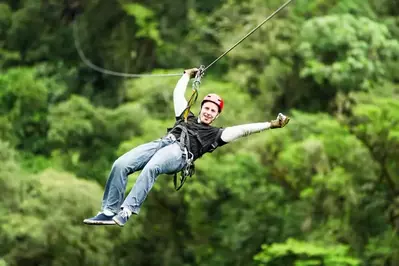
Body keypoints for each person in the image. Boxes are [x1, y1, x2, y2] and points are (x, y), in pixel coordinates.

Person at [83, 67, 290, 227]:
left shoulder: (216, 134)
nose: (209, 112)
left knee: (152, 167)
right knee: (121, 164)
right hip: (163, 143)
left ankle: (127, 210)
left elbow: (244, 129)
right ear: (202, 108)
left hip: (180, 154)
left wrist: (271, 124)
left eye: (213, 111)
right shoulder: (185, 116)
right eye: (207, 108)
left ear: (217, 116)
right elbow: (177, 94)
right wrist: (186, 75)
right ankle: (109, 211)